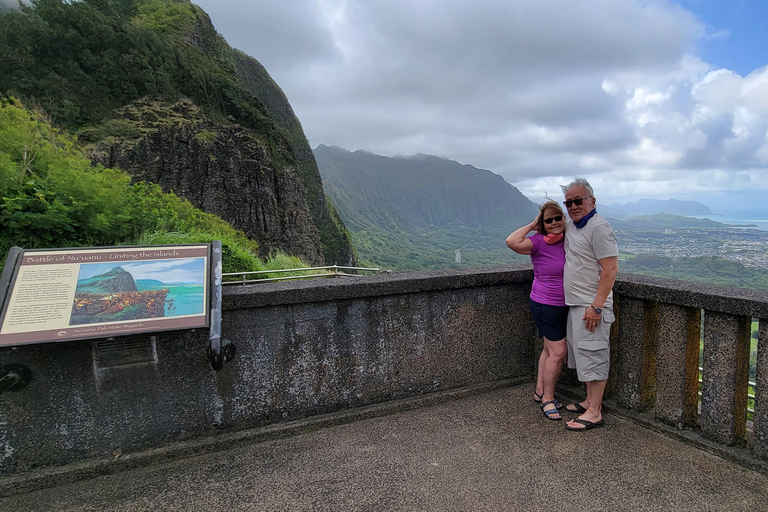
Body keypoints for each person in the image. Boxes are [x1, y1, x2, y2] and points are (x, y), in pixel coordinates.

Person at [560, 178, 618, 431]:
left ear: (592, 201)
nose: (573, 206)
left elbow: (610, 269)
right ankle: (588, 401)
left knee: (594, 355)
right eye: (569, 202)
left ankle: (595, 412)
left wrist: (596, 306)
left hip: (590, 306)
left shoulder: (599, 228)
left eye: (578, 201)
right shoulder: (574, 227)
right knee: (584, 356)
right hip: (576, 304)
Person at [506, 201, 569, 421]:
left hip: (566, 303)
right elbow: (511, 241)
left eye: (557, 218)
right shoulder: (538, 243)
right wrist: (533, 224)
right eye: (548, 220)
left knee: (548, 349)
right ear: (542, 224)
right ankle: (548, 399)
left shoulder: (569, 240)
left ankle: (540, 390)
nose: (554, 223)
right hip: (545, 304)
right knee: (559, 352)